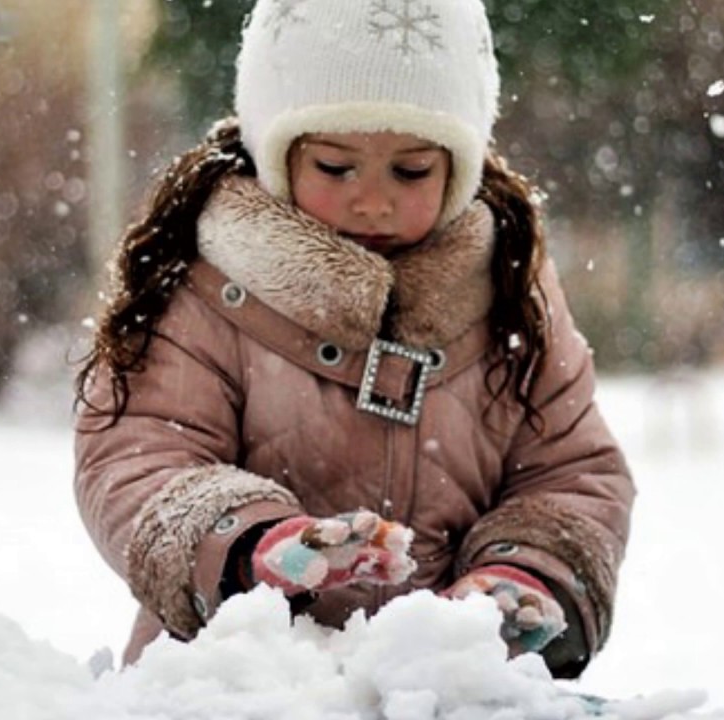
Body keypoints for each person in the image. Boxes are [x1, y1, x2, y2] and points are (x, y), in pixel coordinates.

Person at [74, 0, 634, 679]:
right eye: (336, 168)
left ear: (459, 167)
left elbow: (571, 472)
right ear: (278, 155)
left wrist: (521, 577)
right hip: (240, 683)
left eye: (412, 171)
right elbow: (140, 455)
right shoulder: (204, 286)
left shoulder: (511, 295)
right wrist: (251, 544)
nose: (373, 200)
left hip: (439, 691)